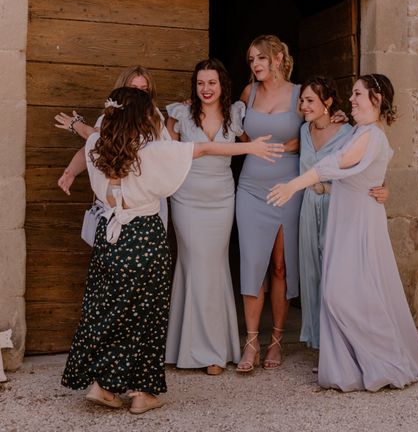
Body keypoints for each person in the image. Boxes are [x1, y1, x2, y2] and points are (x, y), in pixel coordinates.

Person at [61, 87, 283, 413]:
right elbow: (205, 148)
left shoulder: (97, 145)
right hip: (143, 239)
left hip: (109, 242)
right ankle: (141, 393)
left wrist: (77, 127)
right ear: (140, 116)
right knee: (144, 317)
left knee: (107, 311)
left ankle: (103, 384)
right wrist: (250, 146)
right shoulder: (152, 151)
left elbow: (90, 135)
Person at [267, 74, 418, 392]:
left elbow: (336, 163)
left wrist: (293, 185)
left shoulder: (371, 135)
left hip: (359, 222)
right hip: (347, 218)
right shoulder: (362, 131)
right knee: (349, 292)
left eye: (357, 94)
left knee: (343, 295)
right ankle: (354, 364)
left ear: (376, 99)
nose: (351, 99)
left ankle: (385, 359)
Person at [297, 76, 388, 350]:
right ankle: (318, 343)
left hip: (337, 205)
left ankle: (340, 344)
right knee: (310, 272)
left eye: (310, 100)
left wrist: (386, 188)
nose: (304, 106)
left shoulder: (350, 131)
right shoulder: (303, 131)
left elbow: (374, 163)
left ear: (327, 103)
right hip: (308, 205)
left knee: (335, 275)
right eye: (302, 100)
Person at [164, 59, 242, 375]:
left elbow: (262, 137)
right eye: (200, 83)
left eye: (212, 82)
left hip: (222, 198)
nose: (206, 89)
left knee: (214, 265)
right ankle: (186, 348)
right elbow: (164, 150)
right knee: (193, 264)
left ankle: (215, 350)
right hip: (187, 197)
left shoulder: (236, 113)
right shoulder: (180, 114)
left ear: (222, 84)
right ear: (194, 86)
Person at [235, 35, 303, 372]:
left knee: (280, 266)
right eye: (251, 60)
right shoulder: (248, 93)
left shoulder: (299, 94)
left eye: (261, 58)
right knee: (252, 265)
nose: (256, 65)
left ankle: (275, 340)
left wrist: (294, 147)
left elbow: (319, 128)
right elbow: (237, 131)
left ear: (278, 58)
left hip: (287, 187)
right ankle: (251, 343)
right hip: (249, 187)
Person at [54, 66, 172, 228]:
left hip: (147, 199)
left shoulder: (155, 118)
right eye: (134, 88)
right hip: (117, 195)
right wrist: (71, 171)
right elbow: (91, 147)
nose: (138, 94)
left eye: (144, 89)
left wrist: (78, 126)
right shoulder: (107, 118)